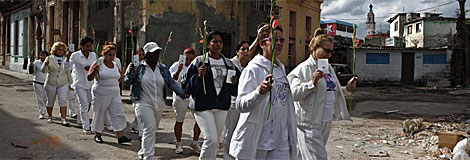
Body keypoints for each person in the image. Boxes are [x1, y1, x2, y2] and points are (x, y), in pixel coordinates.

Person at [229, 24, 297, 159]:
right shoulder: (253, 70)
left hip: (279, 141)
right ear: (262, 43)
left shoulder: (281, 70)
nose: (279, 43)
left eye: (281, 40)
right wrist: (259, 92)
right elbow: (241, 105)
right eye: (274, 40)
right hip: (259, 140)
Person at [287, 28, 357, 160]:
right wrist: (311, 83)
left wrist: (347, 88)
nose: (329, 55)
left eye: (332, 51)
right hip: (309, 123)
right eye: (326, 51)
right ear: (314, 48)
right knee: (318, 157)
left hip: (325, 120)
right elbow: (293, 94)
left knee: (305, 156)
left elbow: (331, 91)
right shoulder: (304, 69)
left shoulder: (328, 68)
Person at [182, 31, 240, 159]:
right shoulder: (199, 61)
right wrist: (199, 76)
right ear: (208, 44)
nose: (218, 44)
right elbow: (186, 86)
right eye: (214, 41)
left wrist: (234, 83)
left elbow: (235, 89)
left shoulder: (229, 63)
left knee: (215, 142)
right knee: (211, 139)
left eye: (220, 42)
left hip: (221, 105)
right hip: (203, 105)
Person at [124, 42, 185, 160]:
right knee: (149, 128)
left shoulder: (162, 68)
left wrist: (181, 93)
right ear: (146, 55)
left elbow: (171, 82)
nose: (155, 56)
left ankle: (143, 150)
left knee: (152, 129)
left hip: (159, 103)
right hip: (142, 102)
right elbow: (126, 82)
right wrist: (131, 74)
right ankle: (148, 156)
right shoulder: (138, 67)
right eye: (152, 53)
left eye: (157, 53)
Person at [87, 44, 131, 144]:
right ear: (104, 54)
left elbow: (118, 79)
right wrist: (95, 70)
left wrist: (124, 75)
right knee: (100, 113)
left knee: (117, 112)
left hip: (114, 92)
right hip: (101, 91)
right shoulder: (98, 63)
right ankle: (97, 134)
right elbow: (89, 77)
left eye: (113, 55)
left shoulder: (115, 65)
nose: (111, 57)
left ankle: (120, 135)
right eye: (109, 55)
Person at [169, 47, 201, 154]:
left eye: (191, 59)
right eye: (187, 58)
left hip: (193, 97)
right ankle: (178, 143)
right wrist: (178, 70)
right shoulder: (176, 65)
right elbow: (172, 80)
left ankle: (195, 142)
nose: (188, 61)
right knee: (179, 120)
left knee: (200, 120)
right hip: (180, 97)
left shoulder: (196, 66)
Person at [222, 40, 250, 159]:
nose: (245, 52)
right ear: (237, 52)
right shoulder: (231, 64)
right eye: (242, 49)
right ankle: (227, 156)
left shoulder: (251, 66)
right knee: (230, 130)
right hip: (233, 101)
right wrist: (233, 82)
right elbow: (227, 84)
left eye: (247, 49)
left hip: (246, 102)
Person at [68, 37, 96, 134]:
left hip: (90, 83)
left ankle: (80, 119)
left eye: (90, 46)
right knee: (83, 104)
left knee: (87, 104)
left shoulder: (93, 55)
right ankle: (86, 127)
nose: (88, 48)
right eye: (86, 46)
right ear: (82, 46)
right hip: (79, 82)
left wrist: (91, 69)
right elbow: (67, 67)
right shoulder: (75, 55)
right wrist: (67, 58)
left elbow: (95, 67)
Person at [41, 42, 72, 126]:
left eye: (62, 50)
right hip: (51, 82)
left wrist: (70, 83)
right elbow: (43, 71)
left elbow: (68, 72)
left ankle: (63, 119)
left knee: (63, 101)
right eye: (59, 50)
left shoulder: (66, 59)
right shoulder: (49, 58)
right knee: (50, 101)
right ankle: (50, 116)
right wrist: (45, 65)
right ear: (55, 50)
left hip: (63, 82)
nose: (60, 51)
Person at [129, 48, 145, 137]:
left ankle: (135, 125)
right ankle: (141, 134)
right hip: (136, 93)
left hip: (146, 92)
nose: (141, 57)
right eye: (139, 55)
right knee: (140, 113)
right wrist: (132, 72)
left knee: (139, 114)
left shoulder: (146, 66)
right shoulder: (132, 66)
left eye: (143, 55)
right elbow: (127, 81)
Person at [29, 51, 48, 119]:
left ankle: (48, 111)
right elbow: (31, 72)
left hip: (47, 83)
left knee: (46, 98)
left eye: (43, 55)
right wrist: (30, 65)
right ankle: (42, 112)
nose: (42, 57)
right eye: (41, 55)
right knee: (40, 98)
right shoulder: (36, 62)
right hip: (37, 82)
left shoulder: (49, 62)